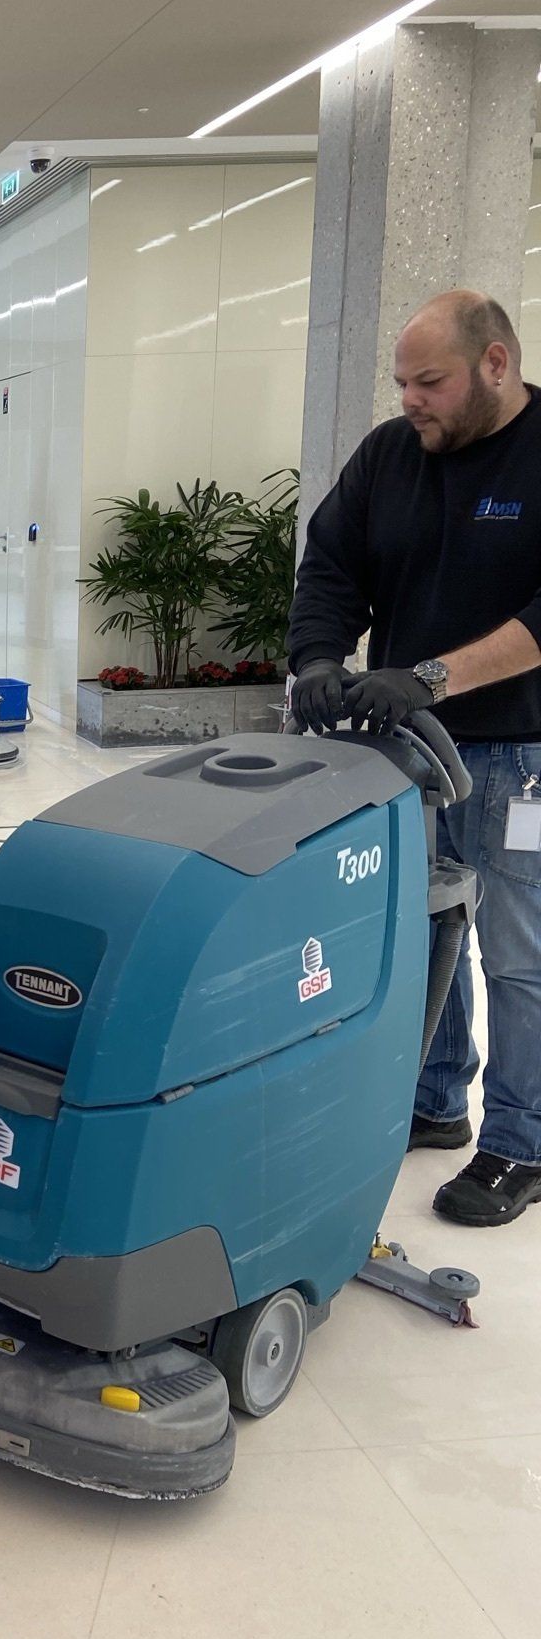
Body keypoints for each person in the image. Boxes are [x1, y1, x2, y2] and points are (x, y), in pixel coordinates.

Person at [289, 288, 541, 1227]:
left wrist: (430, 677)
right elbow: (330, 565)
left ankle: (521, 1142)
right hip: (414, 758)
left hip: (525, 760)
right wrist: (319, 660)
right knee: (424, 933)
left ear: (495, 364)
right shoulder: (391, 456)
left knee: (518, 955)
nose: (409, 400)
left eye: (428, 381)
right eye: (402, 382)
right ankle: (435, 1101)